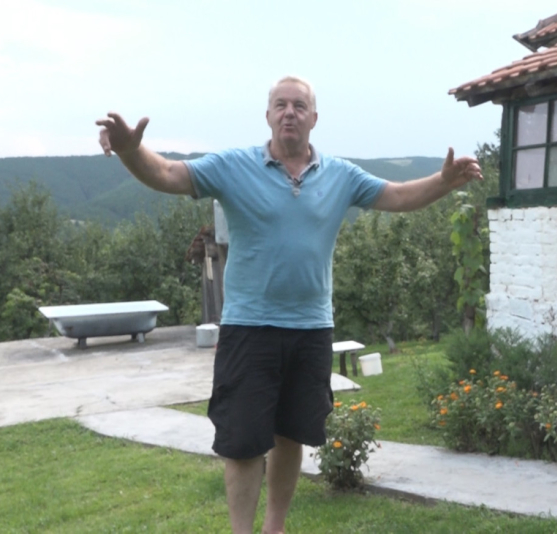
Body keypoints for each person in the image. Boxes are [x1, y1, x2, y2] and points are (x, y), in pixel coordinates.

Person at [96, 76, 483, 534]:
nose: (289, 112)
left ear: (314, 118)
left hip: (311, 330)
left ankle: (274, 528)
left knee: (291, 435)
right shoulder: (233, 166)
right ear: (268, 116)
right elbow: (166, 174)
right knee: (242, 443)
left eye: (299, 105)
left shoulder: (341, 175)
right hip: (248, 329)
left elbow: (398, 196)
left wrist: (443, 181)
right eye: (280, 104)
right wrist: (131, 151)